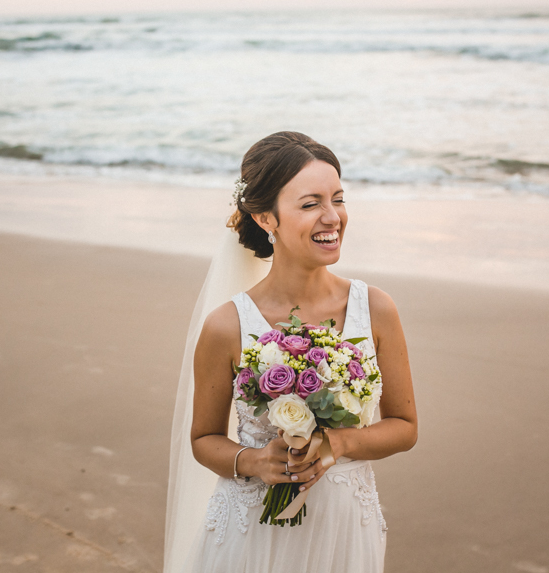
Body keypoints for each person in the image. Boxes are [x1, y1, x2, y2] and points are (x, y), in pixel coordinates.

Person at [164, 132, 417, 573]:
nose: (332, 217)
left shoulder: (374, 308)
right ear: (266, 217)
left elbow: (405, 426)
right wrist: (255, 461)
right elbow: (204, 440)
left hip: (343, 529)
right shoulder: (228, 325)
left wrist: (337, 441)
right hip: (251, 536)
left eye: (338, 199)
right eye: (310, 204)